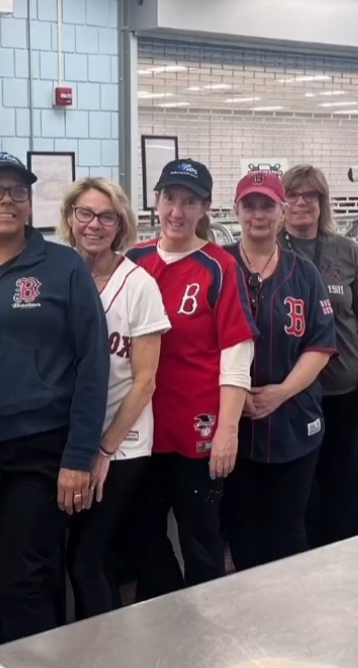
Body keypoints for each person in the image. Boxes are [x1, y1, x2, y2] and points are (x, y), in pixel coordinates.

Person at [0, 152, 109, 645]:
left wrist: (78, 456)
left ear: (31, 204)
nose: (6, 201)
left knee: (21, 576)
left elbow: (93, 365)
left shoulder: (63, 267)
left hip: (40, 450)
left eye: (18, 191)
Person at [126, 158, 256, 599]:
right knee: (142, 533)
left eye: (190, 202)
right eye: (169, 199)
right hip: (140, 429)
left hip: (197, 428)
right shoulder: (134, 261)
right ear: (156, 202)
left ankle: (203, 623)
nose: (177, 211)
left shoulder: (219, 267)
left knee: (201, 537)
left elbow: (236, 353)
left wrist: (228, 430)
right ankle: (165, 611)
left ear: (205, 209)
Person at [56, 177, 170, 618]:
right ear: (70, 217)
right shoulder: (61, 275)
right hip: (72, 443)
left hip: (121, 446)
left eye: (106, 217)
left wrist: (102, 449)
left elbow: (145, 381)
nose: (95, 225)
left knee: (85, 560)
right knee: (88, 558)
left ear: (120, 225)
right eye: (85, 213)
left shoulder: (137, 285)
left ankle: (100, 662)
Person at [223, 171, 335, 569]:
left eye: (267, 205)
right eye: (249, 205)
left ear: (281, 210)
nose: (258, 214)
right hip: (233, 423)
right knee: (242, 528)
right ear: (236, 210)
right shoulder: (218, 266)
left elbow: (321, 346)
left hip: (294, 419)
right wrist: (240, 401)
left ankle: (291, 616)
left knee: (289, 527)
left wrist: (279, 392)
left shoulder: (304, 273)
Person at [280, 164, 358, 546]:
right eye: (293, 194)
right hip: (293, 394)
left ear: (323, 203)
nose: (302, 203)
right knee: (300, 495)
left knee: (344, 487)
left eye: (311, 195)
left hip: (343, 390)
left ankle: (345, 563)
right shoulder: (269, 248)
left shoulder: (346, 250)